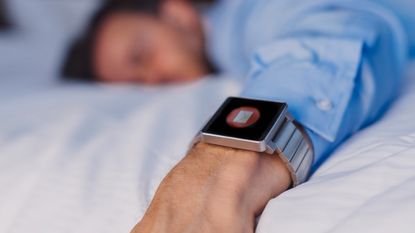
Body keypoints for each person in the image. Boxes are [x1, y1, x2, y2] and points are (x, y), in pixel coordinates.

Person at [62, 0, 414, 232]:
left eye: (141, 56)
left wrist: (222, 168)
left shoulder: (244, 14)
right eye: (136, 84)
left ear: (176, 13)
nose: (152, 80)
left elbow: (339, 23)